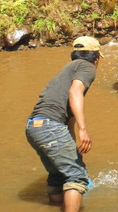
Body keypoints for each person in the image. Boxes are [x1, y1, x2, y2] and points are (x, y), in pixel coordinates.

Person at [26, 36, 103, 212]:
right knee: (77, 176)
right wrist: (83, 130)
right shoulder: (87, 67)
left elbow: (69, 121)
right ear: (96, 59)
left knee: (58, 175)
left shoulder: (66, 71)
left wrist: (73, 149)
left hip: (34, 126)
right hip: (50, 125)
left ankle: (56, 207)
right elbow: (74, 91)